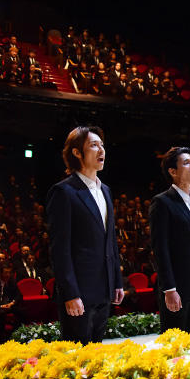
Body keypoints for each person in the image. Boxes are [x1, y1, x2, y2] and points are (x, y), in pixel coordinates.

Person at [46, 126, 124, 344]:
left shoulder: (105, 190)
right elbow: (59, 249)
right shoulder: (64, 192)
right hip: (79, 292)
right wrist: (70, 294)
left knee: (96, 354)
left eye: (102, 145)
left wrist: (117, 281)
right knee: (77, 358)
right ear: (76, 152)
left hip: (104, 288)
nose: (101, 150)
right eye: (93, 145)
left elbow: (111, 241)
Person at [149, 147, 190, 332]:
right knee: (173, 347)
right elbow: (160, 250)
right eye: (186, 163)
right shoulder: (162, 202)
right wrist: (169, 289)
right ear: (173, 171)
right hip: (176, 288)